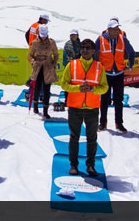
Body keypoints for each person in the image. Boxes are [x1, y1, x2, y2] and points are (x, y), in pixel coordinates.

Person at [60, 39, 108, 176]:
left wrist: (93, 89)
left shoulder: (99, 67)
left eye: (88, 48)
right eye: (82, 47)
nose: (85, 50)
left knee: (91, 138)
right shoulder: (72, 65)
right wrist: (78, 88)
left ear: (93, 50)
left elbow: (104, 87)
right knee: (74, 137)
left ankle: (90, 165)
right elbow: (64, 84)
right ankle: (73, 165)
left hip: (92, 108)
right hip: (75, 107)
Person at [95, 20, 135, 133]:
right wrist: (96, 68)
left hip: (118, 74)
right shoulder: (101, 39)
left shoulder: (123, 39)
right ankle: (103, 123)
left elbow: (132, 52)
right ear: (109, 29)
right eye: (115, 29)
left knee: (119, 100)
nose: (117, 31)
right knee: (104, 100)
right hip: (105, 74)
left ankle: (119, 123)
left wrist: (130, 65)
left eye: (118, 28)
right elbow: (94, 53)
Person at [28, 24, 59, 119]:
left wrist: (53, 64)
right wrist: (33, 62)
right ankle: (36, 106)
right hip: (38, 67)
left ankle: (45, 110)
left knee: (47, 89)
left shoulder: (52, 42)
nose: (44, 37)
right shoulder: (35, 42)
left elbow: (56, 54)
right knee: (37, 87)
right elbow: (30, 55)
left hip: (48, 66)